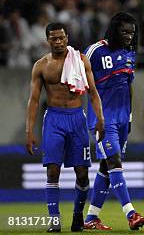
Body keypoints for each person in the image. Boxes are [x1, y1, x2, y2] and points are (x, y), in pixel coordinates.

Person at [25, 22, 105, 233]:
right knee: (52, 171)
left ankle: (78, 216)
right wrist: (29, 131)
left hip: (77, 118)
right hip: (54, 119)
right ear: (48, 40)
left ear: (67, 38)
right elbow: (33, 100)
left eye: (61, 38)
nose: (59, 42)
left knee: (82, 174)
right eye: (54, 39)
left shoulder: (80, 60)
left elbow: (93, 93)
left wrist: (100, 119)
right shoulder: (41, 66)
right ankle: (54, 219)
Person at [83, 12, 144, 230]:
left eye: (132, 32)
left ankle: (91, 217)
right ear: (114, 30)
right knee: (114, 161)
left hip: (121, 119)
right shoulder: (95, 51)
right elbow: (79, 78)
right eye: (124, 31)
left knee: (105, 166)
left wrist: (129, 117)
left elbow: (128, 86)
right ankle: (131, 213)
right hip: (102, 118)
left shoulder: (129, 53)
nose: (129, 36)